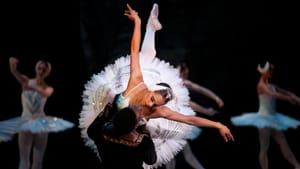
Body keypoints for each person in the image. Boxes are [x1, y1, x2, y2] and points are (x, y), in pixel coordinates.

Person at [79, 3, 234, 168]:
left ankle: (152, 28)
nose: (150, 104)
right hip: (110, 124)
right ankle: (150, 27)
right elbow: (133, 50)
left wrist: (218, 125)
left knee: (147, 57)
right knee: (145, 58)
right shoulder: (136, 82)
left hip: (125, 137)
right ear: (151, 89)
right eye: (152, 98)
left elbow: (190, 119)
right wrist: (137, 22)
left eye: (155, 104)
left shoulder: (158, 111)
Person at [7, 57, 74, 169]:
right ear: (36, 68)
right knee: (24, 160)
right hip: (26, 120)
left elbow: (45, 93)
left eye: (44, 69)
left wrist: (32, 85)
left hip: (40, 121)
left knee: (38, 161)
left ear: (47, 72)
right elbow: (14, 71)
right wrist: (12, 64)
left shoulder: (48, 88)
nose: (41, 71)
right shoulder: (25, 81)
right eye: (40, 68)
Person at [231, 61, 300, 169]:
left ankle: (297, 165)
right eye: (270, 70)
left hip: (273, 118)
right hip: (263, 119)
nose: (272, 72)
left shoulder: (271, 85)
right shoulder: (261, 86)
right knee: (264, 147)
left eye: (272, 70)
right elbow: (273, 94)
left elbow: (284, 91)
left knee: (283, 143)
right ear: (264, 72)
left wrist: (294, 97)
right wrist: (290, 98)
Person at [165, 62, 225, 169]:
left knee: (177, 157)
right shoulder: (173, 84)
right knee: (176, 158)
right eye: (184, 74)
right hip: (169, 123)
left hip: (173, 123)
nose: (184, 76)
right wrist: (207, 110)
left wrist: (216, 98)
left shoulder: (180, 83)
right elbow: (190, 103)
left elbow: (200, 89)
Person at [87, 105, 157, 169]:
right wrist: (145, 132)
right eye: (139, 116)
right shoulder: (143, 143)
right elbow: (151, 160)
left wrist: (107, 113)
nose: (140, 108)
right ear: (135, 126)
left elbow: (90, 131)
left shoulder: (97, 130)